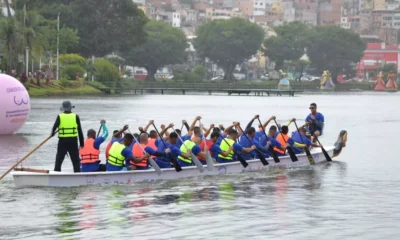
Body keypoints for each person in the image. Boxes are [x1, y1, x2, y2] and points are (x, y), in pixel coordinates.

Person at [51, 101, 84, 172]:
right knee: (75, 160)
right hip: (73, 141)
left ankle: (56, 173)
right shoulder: (76, 116)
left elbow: (54, 127)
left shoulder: (60, 116)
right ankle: (77, 174)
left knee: (59, 159)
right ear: (71, 108)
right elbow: (80, 131)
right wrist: (82, 143)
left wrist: (52, 133)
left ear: (63, 108)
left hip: (62, 141)